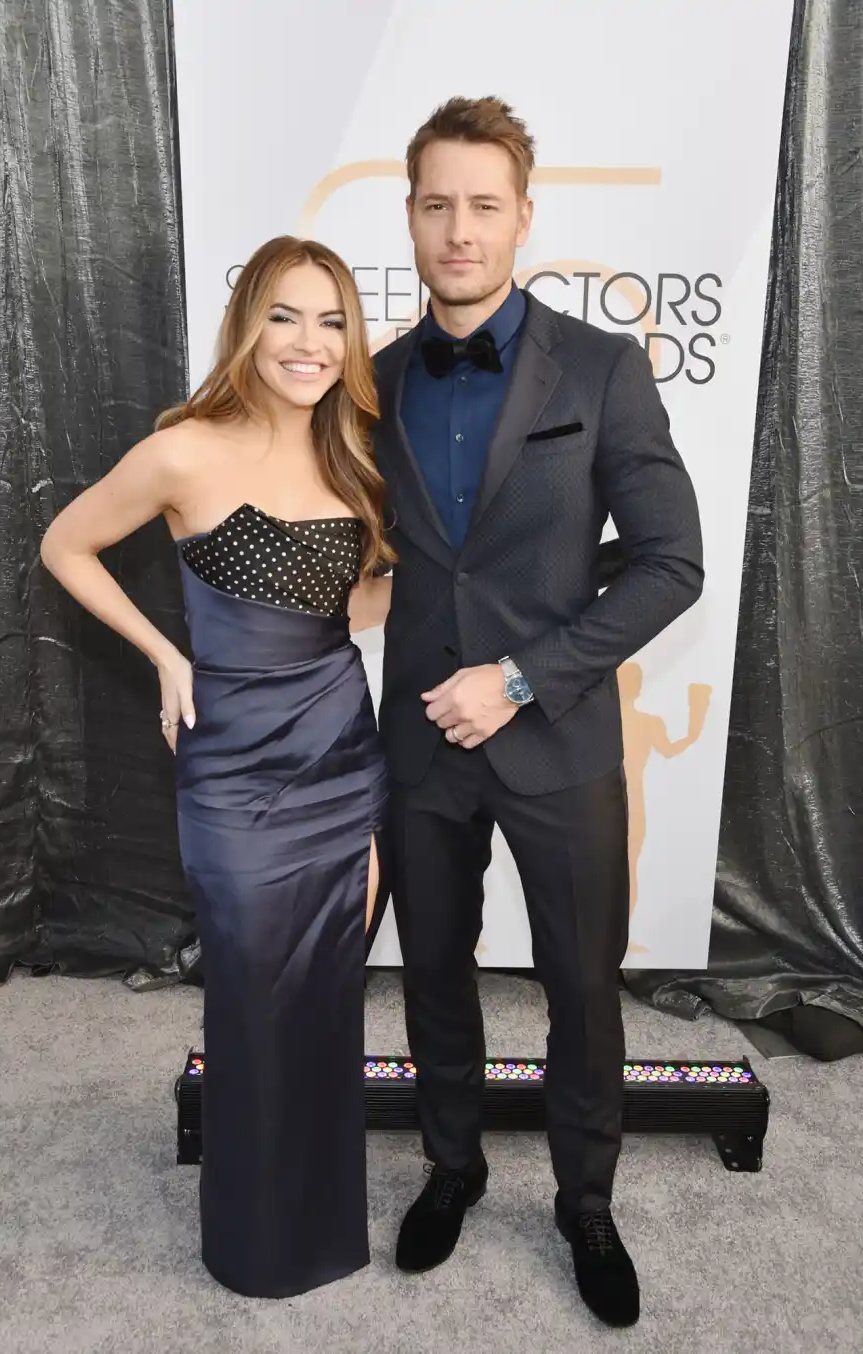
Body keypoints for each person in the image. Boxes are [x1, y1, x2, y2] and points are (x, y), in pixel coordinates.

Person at [372, 97, 704, 1329]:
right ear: (409, 214)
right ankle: (451, 1165)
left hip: (557, 742)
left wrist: (517, 675)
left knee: (580, 981)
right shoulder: (374, 378)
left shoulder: (602, 368)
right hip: (419, 744)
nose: (460, 230)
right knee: (434, 978)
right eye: (437, 204)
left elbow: (673, 561)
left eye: (483, 205)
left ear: (523, 215)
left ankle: (587, 1201)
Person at [40, 236, 393, 1299]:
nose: (310, 343)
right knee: (248, 999)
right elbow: (65, 543)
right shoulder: (184, 451)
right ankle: (253, 1243)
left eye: (332, 321)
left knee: (329, 997)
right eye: (286, 316)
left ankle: (324, 1226)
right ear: (248, 325)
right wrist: (163, 652)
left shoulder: (357, 454)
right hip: (234, 765)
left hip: (344, 750)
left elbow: (352, 607)